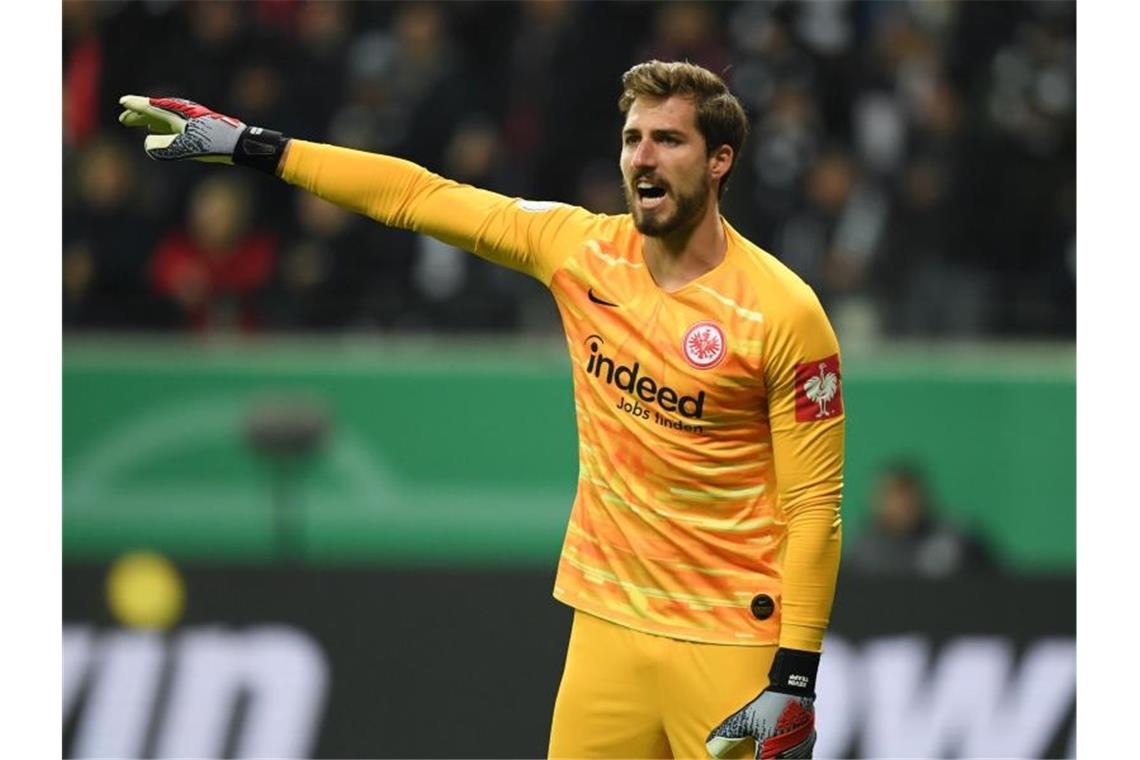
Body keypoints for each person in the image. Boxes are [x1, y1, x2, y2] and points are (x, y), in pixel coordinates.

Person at [118, 60, 845, 759]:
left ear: (719, 160)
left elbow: (815, 509)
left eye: (669, 139)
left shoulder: (783, 314)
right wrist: (248, 145)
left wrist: (795, 678)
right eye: (632, 139)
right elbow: (418, 196)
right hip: (607, 623)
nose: (643, 158)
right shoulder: (581, 252)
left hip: (729, 639)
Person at [847, 462, 996, 578]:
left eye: (908, 493)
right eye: (894, 495)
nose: (903, 503)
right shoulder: (865, 551)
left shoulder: (955, 540)